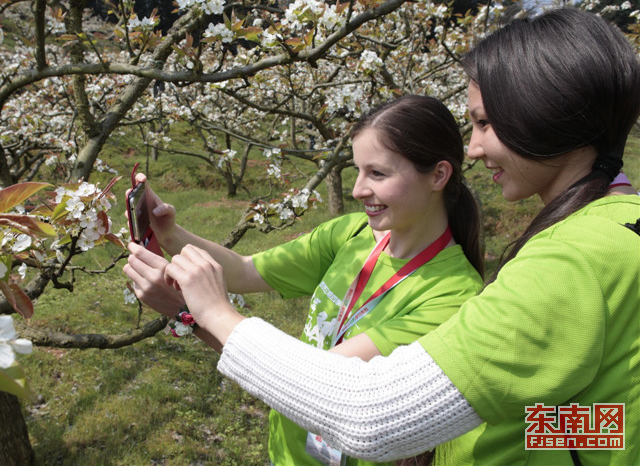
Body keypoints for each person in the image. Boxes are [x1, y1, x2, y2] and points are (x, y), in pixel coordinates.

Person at [144, 7, 640, 464]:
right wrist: (490, 423)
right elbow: (612, 421)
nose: (473, 148)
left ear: (545, 112)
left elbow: (366, 413)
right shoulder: (615, 231)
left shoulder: (572, 261)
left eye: (486, 123)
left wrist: (200, 313)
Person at [124, 95, 485, 465]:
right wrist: (169, 235)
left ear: (438, 175)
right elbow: (244, 270)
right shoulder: (351, 233)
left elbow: (318, 386)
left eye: (377, 174)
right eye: (358, 170)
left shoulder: (452, 297)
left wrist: (190, 313)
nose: (358, 189)